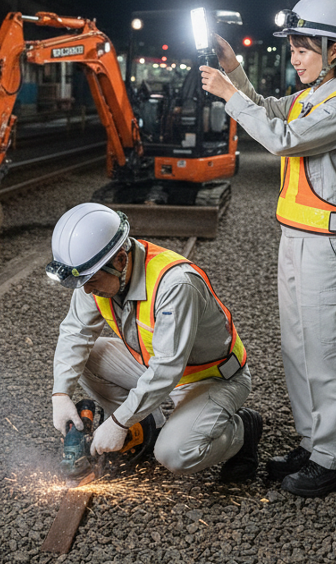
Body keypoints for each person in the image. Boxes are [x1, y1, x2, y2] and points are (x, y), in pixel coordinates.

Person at [199, 0, 336, 497]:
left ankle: (334, 460)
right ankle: (312, 444)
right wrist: (234, 70)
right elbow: (265, 110)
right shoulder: (307, 98)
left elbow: (283, 138)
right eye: (292, 49)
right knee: (298, 349)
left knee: (328, 353)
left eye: (303, 50)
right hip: (296, 241)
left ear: (334, 50)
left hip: (329, 249)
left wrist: (226, 93)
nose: (294, 58)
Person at [47, 202, 262, 482]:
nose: (86, 290)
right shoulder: (96, 276)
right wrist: (60, 394)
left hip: (211, 378)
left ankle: (243, 430)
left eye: (91, 280)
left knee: (175, 454)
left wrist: (118, 421)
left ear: (120, 260)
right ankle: (147, 427)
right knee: (89, 357)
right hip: (158, 368)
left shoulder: (175, 285)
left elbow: (167, 368)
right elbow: (76, 333)